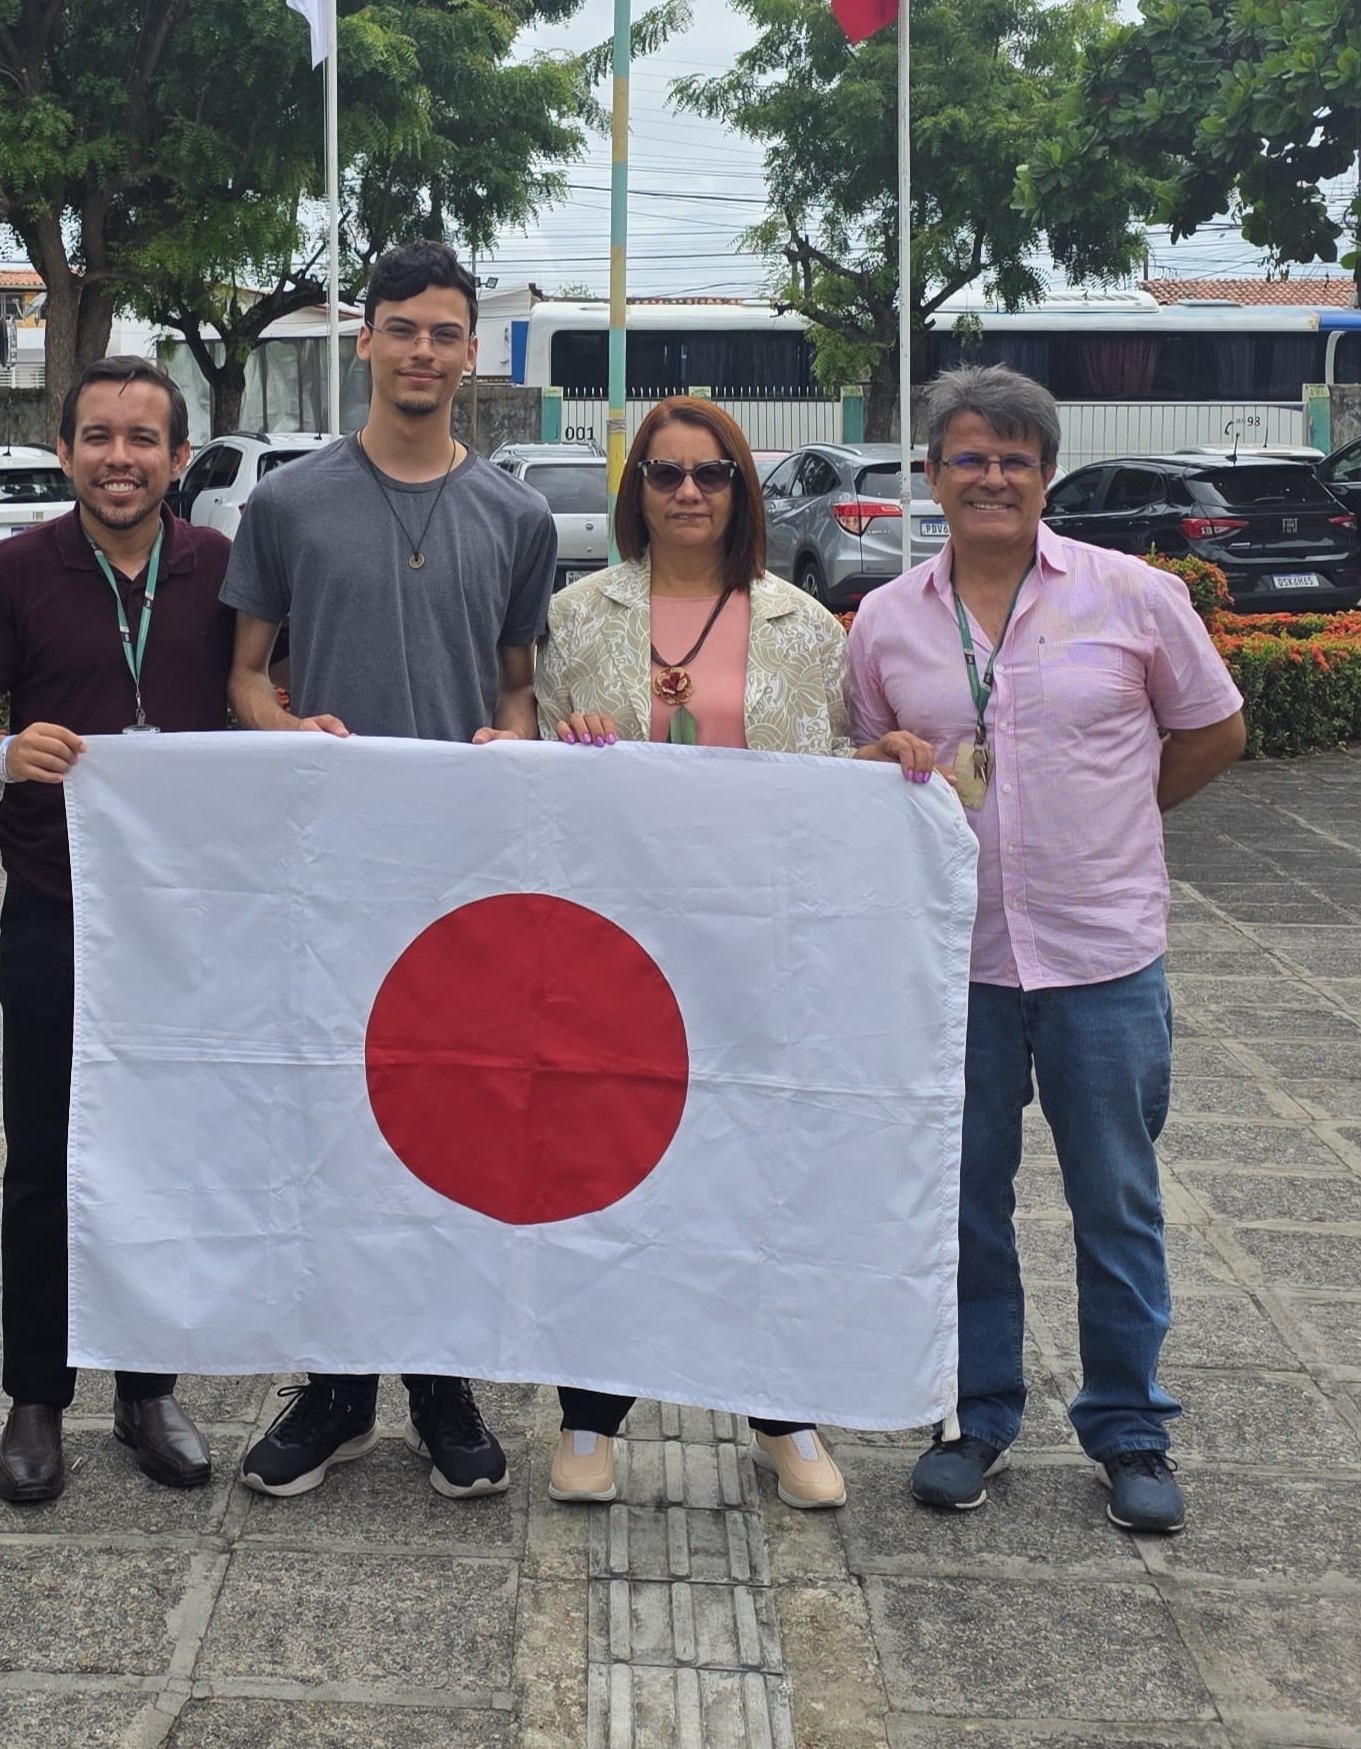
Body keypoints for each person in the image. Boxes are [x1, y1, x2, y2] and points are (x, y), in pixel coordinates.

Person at [848, 364, 1248, 1535]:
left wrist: (1120, 820)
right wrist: (886, 764)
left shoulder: (1132, 597)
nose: (992, 477)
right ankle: (976, 1417)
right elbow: (866, 756)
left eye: (1014, 459)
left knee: (1114, 1204)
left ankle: (1129, 1429)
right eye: (968, 457)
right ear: (931, 477)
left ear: (1045, 475)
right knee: (963, 1201)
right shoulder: (885, 621)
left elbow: (1214, 728)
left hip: (1102, 958)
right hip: (954, 964)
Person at [221, 239, 556, 1500]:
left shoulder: (517, 517)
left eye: (445, 332)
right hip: (327, 871)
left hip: (468, 882)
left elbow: (520, 694)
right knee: (328, 1123)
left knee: (455, 1124)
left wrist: (504, 744)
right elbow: (246, 677)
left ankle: (443, 1378)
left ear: (472, 353)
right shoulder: (290, 504)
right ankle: (337, 1386)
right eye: (401, 328)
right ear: (362, 340)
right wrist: (283, 733)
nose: (423, 351)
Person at [531, 394, 853, 1511]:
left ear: (740, 490)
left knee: (759, 1181)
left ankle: (780, 1409)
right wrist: (562, 752)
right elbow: (534, 791)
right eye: (664, 474)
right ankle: (588, 1416)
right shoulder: (576, 618)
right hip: (614, 950)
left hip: (752, 949)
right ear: (636, 493)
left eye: (709, 474)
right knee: (607, 1177)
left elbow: (834, 788)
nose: (686, 493)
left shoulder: (805, 629)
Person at [0, 357, 229, 1500]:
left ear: (177, 457)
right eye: (98, 436)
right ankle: (35, 1396)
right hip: (57, 906)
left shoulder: (221, 569)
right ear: (65, 452)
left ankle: (146, 1389)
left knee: (163, 1155)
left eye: (143, 439)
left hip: (186, 920)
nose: (120, 457)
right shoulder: (11, 571)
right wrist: (6, 754)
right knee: (45, 1157)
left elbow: (258, 702)